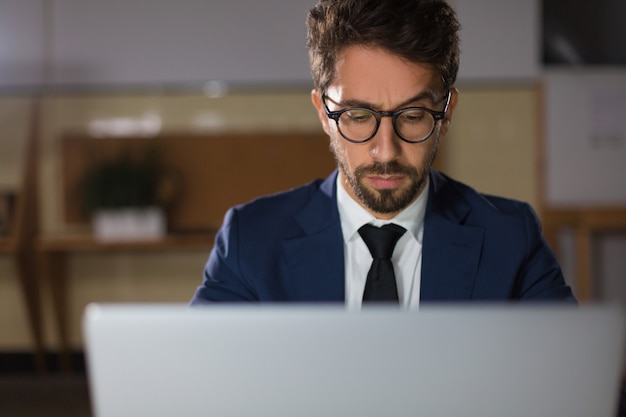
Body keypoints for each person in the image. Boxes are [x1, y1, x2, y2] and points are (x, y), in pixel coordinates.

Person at [190, 0, 575, 307]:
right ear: (324, 113)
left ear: (447, 113)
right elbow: (197, 390)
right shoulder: (250, 242)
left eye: (412, 115)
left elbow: (581, 392)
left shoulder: (510, 238)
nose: (386, 150)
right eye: (358, 115)